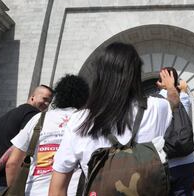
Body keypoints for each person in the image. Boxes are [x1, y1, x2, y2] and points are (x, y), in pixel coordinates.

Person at [49, 42, 180, 195]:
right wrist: (170, 85)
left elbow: (57, 187)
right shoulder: (157, 107)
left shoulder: (79, 120)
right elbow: (174, 102)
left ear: (99, 75)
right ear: (136, 74)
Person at [5, 75, 89, 195]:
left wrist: (14, 191)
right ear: (84, 98)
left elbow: (12, 163)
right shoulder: (86, 120)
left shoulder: (38, 118)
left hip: (32, 191)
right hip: (72, 191)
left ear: (58, 96)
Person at [0, 85, 53, 195]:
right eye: (44, 99)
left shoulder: (7, 115)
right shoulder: (33, 116)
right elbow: (17, 147)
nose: (46, 105)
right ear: (32, 97)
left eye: (49, 102)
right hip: (3, 185)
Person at [157, 67, 194, 196]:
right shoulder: (183, 98)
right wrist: (183, 90)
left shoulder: (153, 101)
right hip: (187, 161)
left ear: (158, 83)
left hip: (164, 163)